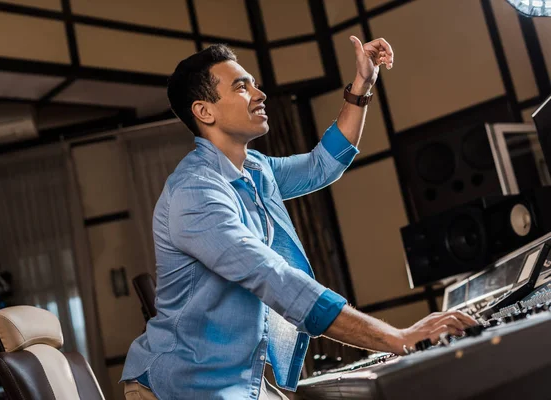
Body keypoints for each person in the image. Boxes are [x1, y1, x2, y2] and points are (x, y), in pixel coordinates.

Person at [121, 37, 477, 400]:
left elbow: (322, 165)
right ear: (205, 111)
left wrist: (362, 86)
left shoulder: (255, 169)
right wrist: (397, 338)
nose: (260, 94)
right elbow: (273, 278)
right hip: (180, 386)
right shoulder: (195, 193)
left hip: (236, 380)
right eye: (242, 87)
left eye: (255, 84)